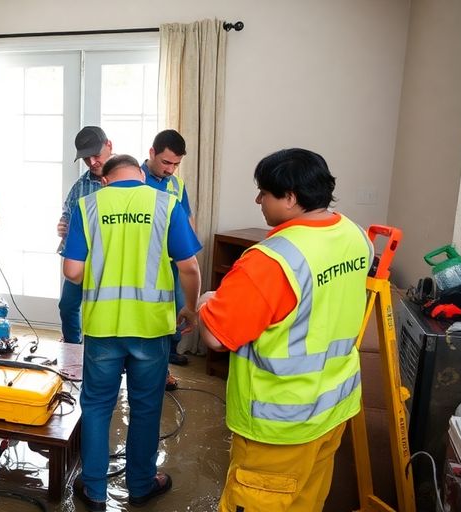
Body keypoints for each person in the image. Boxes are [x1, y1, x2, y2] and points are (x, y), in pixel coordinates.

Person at [197, 148, 372, 512]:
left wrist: (204, 303)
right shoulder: (354, 235)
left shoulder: (271, 260)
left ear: (290, 198)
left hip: (280, 426)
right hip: (333, 409)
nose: (258, 199)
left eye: (265, 192)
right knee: (306, 502)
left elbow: (215, 337)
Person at [63, 154, 202, 511]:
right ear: (140, 175)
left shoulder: (88, 203)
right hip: (150, 327)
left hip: (103, 327)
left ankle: (94, 490)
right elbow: (188, 266)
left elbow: (73, 272)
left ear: (106, 180)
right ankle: (141, 485)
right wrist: (190, 307)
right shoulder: (165, 202)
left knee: (96, 407)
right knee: (145, 406)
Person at [142, 129, 193, 367]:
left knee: (179, 305)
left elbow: (187, 219)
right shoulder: (135, 178)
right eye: (166, 162)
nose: (170, 169)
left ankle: (171, 351)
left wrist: (187, 249)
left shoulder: (177, 184)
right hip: (143, 259)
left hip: (172, 260)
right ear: (152, 153)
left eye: (176, 164)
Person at [57, 126, 110, 345]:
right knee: (68, 306)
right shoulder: (80, 186)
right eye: (86, 159)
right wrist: (63, 225)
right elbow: (67, 214)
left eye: (96, 155)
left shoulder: (128, 180)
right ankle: (72, 348)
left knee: (104, 314)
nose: (92, 162)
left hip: (111, 260)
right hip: (81, 259)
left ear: (109, 146)